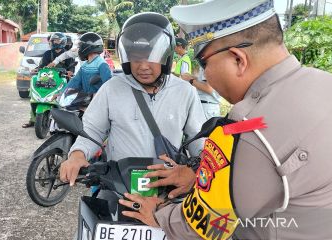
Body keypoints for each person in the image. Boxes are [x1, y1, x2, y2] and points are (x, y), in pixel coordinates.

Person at [118, 0, 332, 239]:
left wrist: (157, 213)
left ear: (238, 59)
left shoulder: (249, 131)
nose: (205, 73)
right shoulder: (324, 84)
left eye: (204, 63)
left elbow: (205, 225)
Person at [59, 12, 206, 188]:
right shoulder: (111, 88)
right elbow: (92, 130)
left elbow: (199, 142)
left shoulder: (185, 92)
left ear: (166, 56)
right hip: (119, 186)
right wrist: (77, 154)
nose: (143, 66)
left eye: (152, 57)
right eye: (136, 57)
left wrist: (196, 169)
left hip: (168, 189)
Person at [22, 32, 75, 128]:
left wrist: (70, 72)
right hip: (47, 78)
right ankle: (33, 120)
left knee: (65, 99)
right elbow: (42, 66)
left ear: (62, 42)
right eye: (53, 40)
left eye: (57, 40)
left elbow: (71, 68)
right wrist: (36, 69)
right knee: (37, 96)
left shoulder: (68, 55)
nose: (54, 42)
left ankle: (64, 121)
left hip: (61, 79)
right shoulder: (47, 54)